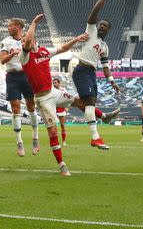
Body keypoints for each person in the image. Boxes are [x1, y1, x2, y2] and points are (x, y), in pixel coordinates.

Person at [20, 13, 89, 176]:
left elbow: (63, 48)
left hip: (54, 92)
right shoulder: (23, 56)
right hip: (43, 99)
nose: (24, 43)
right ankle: (62, 165)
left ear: (35, 41)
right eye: (22, 41)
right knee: (52, 132)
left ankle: (102, 118)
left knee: (79, 102)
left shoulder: (44, 51)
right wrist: (33, 23)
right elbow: (28, 40)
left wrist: (77, 39)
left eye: (25, 40)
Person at [72, 0, 121, 150]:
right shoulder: (91, 31)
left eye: (105, 25)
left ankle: (104, 117)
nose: (101, 26)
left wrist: (112, 81)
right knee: (89, 102)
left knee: (87, 102)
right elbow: (94, 11)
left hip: (91, 73)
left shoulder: (105, 47)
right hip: (81, 70)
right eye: (100, 24)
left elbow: (106, 67)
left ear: (108, 29)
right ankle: (95, 137)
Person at [0, 18, 39, 157]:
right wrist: (12, 54)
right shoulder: (6, 41)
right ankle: (19, 142)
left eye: (10, 26)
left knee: (31, 107)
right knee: (15, 108)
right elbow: (2, 60)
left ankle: (35, 137)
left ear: (18, 27)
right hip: (12, 77)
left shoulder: (29, 39)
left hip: (27, 75)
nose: (8, 28)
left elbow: (35, 54)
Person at [53, 78, 68, 146]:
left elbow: (67, 99)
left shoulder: (63, 90)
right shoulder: (52, 90)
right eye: (53, 83)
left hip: (61, 110)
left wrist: (66, 107)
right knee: (54, 127)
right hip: (54, 110)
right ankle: (55, 142)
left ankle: (64, 141)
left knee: (62, 126)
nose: (54, 84)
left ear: (59, 83)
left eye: (55, 82)